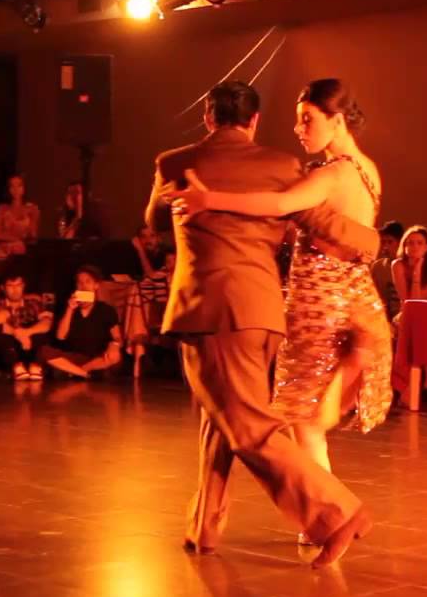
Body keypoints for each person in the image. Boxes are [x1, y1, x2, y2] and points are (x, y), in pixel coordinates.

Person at [147, 80, 377, 567]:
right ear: (253, 121)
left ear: (209, 117)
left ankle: (335, 512)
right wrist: (371, 242)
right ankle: (203, 528)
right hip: (264, 314)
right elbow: (318, 220)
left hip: (208, 311)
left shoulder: (173, 163)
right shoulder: (282, 166)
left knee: (247, 424)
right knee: (222, 417)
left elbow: (153, 224)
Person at [41, 266, 122, 378]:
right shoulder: (69, 309)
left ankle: (77, 372)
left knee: (114, 358)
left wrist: (114, 345)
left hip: (97, 357)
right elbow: (60, 336)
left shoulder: (106, 310)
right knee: (44, 351)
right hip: (74, 357)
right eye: (79, 283)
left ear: (96, 285)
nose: (83, 286)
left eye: (87, 282)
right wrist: (70, 309)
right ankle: (83, 374)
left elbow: (117, 336)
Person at [0, 272, 53, 381]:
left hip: (31, 345)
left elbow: (47, 323)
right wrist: (18, 334)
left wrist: (27, 332)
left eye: (18, 285)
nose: (15, 289)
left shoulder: (34, 303)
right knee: (0, 331)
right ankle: (16, 365)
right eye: (10, 286)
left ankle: (35, 365)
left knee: (37, 328)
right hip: (11, 348)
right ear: (3, 288)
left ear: (23, 286)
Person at [392, 225, 427, 308]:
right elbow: (409, 302)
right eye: (410, 243)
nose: (415, 246)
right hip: (407, 311)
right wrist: (417, 270)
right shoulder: (397, 265)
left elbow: (417, 302)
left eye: (420, 243)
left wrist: (418, 268)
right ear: (404, 246)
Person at [0, 174, 39, 262]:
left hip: (23, 251)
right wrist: (16, 239)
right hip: (4, 250)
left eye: (19, 185)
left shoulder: (32, 209)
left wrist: (34, 215)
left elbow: (33, 236)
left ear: (24, 188)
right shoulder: (2, 208)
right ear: (8, 189)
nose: (16, 190)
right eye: (12, 186)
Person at [371, 221, 404, 318]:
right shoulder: (378, 267)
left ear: (400, 243)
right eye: (383, 242)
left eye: (390, 242)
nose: (385, 246)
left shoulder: (408, 267)